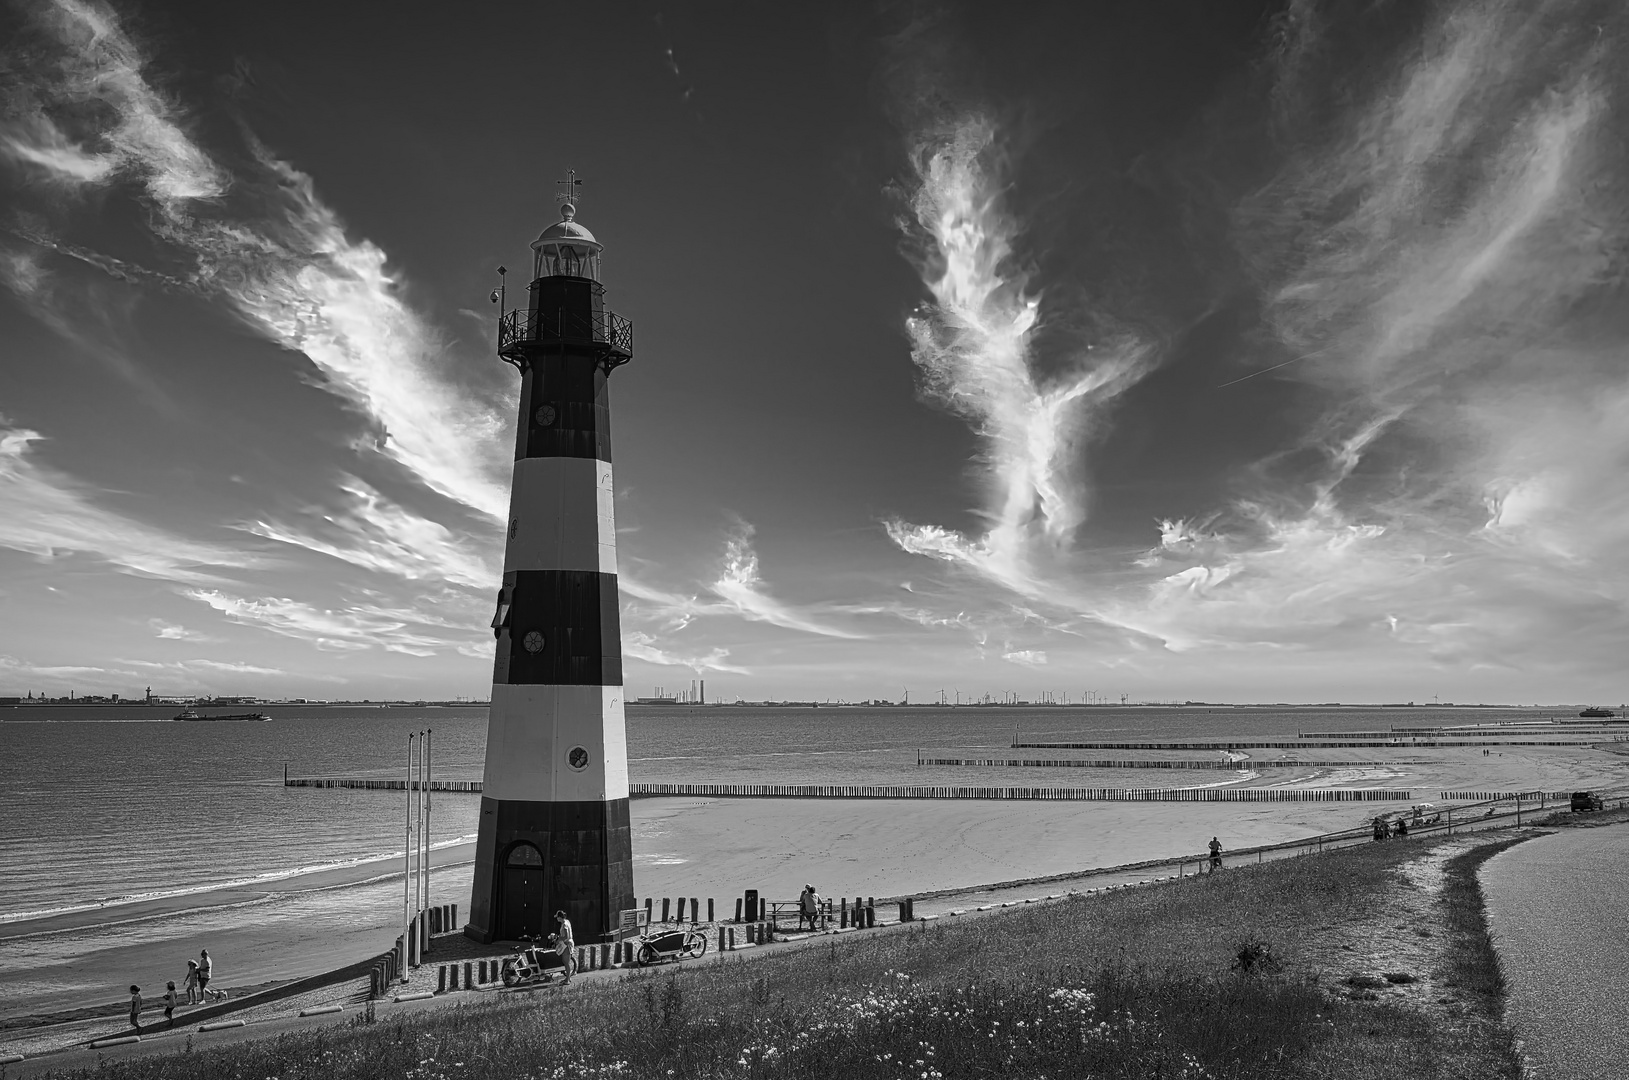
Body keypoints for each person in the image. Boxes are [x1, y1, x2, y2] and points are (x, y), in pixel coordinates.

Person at [553, 910, 576, 984]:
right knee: (565, 961)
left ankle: (567, 980)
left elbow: (565, 936)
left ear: (560, 917)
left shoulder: (565, 925)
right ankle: (568, 978)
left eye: (557, 917)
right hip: (567, 943)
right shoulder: (566, 922)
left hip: (567, 944)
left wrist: (559, 939)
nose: (557, 919)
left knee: (566, 962)